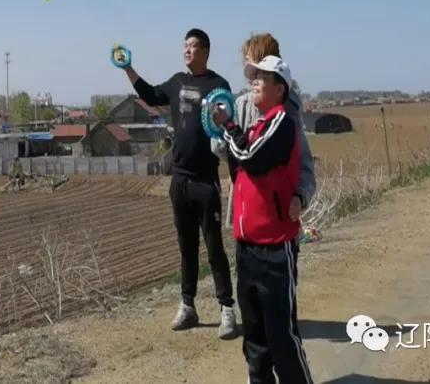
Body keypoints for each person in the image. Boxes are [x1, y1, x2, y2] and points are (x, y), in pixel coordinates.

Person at [118, 28, 238, 339]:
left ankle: (227, 308)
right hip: (180, 180)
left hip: (206, 180)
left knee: (214, 248)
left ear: (206, 51)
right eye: (185, 45)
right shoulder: (176, 82)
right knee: (186, 249)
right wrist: (128, 68)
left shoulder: (218, 85)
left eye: (194, 46)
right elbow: (149, 95)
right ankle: (188, 306)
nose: (187, 50)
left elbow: (228, 124)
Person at [215, 56, 313, 384]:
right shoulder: (259, 125)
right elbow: (237, 154)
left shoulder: (282, 121)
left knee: (281, 339)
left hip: (273, 249)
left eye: (261, 78)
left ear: (279, 88)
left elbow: (250, 158)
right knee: (255, 342)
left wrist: (228, 126)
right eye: (252, 77)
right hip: (247, 247)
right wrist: (229, 132)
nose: (254, 82)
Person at [212, 33, 316, 246]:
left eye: (253, 63)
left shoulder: (287, 114)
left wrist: (300, 197)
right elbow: (223, 149)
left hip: (277, 222)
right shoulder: (240, 104)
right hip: (247, 218)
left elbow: (304, 163)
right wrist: (216, 128)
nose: (250, 76)